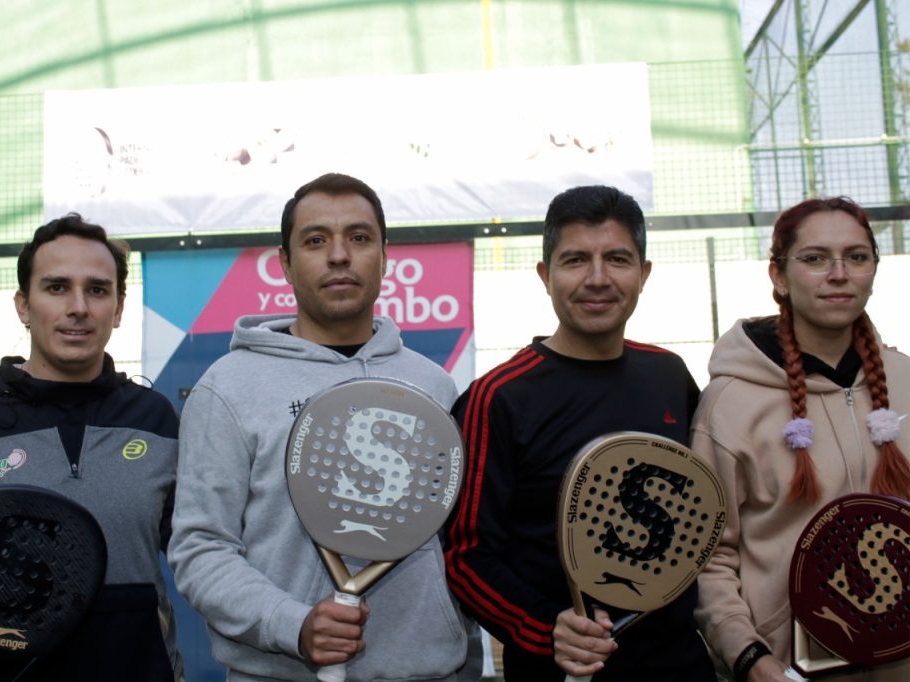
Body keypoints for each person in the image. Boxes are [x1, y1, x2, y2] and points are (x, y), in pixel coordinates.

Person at [168, 172, 475, 681]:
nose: (339, 255)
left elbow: (452, 544)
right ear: (286, 264)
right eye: (316, 240)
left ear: (384, 255)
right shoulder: (227, 387)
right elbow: (202, 548)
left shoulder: (435, 385)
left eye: (359, 238)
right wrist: (292, 625)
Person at [444, 185, 716, 681]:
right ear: (545, 277)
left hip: (680, 664)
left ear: (644, 274)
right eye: (575, 261)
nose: (598, 279)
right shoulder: (498, 398)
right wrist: (546, 629)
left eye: (617, 259)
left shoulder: (670, 374)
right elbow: (465, 557)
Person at [0, 214, 183, 680]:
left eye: (97, 289)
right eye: (56, 288)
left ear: (119, 307)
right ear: (24, 305)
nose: (78, 307)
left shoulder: (157, 420)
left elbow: (203, 549)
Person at [691, 197, 910, 682]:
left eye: (857, 257)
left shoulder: (905, 380)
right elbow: (710, 556)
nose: (838, 273)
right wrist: (748, 657)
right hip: (787, 670)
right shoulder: (729, 403)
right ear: (778, 275)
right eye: (814, 259)